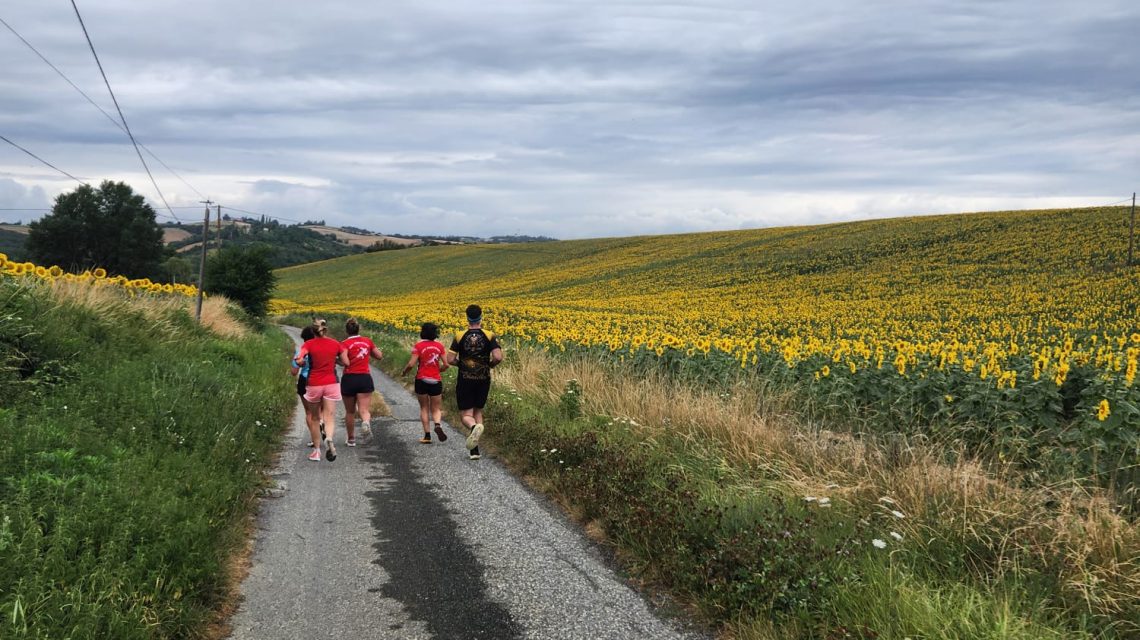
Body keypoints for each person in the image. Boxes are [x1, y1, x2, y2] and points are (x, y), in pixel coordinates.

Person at [446, 304, 503, 460]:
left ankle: (473, 432)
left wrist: (461, 364)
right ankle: (475, 450)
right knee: (478, 411)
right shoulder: (489, 335)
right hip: (483, 378)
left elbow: (449, 359)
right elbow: (498, 357)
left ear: (467, 318)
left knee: (466, 415)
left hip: (465, 378)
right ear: (480, 317)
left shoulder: (459, 335)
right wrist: (490, 364)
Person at [295, 322, 348, 461]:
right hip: (331, 383)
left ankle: (317, 451)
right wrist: (334, 360)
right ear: (326, 330)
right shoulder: (335, 343)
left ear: (313, 332)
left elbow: (300, 358)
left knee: (314, 418)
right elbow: (346, 362)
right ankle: (329, 438)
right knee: (329, 417)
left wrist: (301, 362)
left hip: (314, 383)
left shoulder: (308, 344)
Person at [401, 322, 449, 444]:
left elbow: (411, 364)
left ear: (422, 332)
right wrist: (439, 370)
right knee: (436, 408)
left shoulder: (418, 346)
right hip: (436, 380)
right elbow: (446, 364)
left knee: (424, 408)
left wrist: (404, 372)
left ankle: (427, 436)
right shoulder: (440, 346)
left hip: (421, 380)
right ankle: (437, 425)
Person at [340, 318, 383, 446]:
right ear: (359, 329)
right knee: (364, 410)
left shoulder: (343, 344)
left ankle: (351, 439)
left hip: (349, 378)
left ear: (346, 330)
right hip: (364, 377)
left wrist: (337, 361)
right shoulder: (367, 341)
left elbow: (344, 361)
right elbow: (379, 356)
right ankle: (365, 422)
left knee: (350, 411)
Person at [290, 325, 322, 447]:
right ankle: (323, 426)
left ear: (304, 338)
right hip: (321, 381)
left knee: (309, 412)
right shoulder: (321, 349)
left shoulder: (300, 352)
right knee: (321, 411)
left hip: (305, 381)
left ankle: (315, 439)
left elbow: (293, 372)